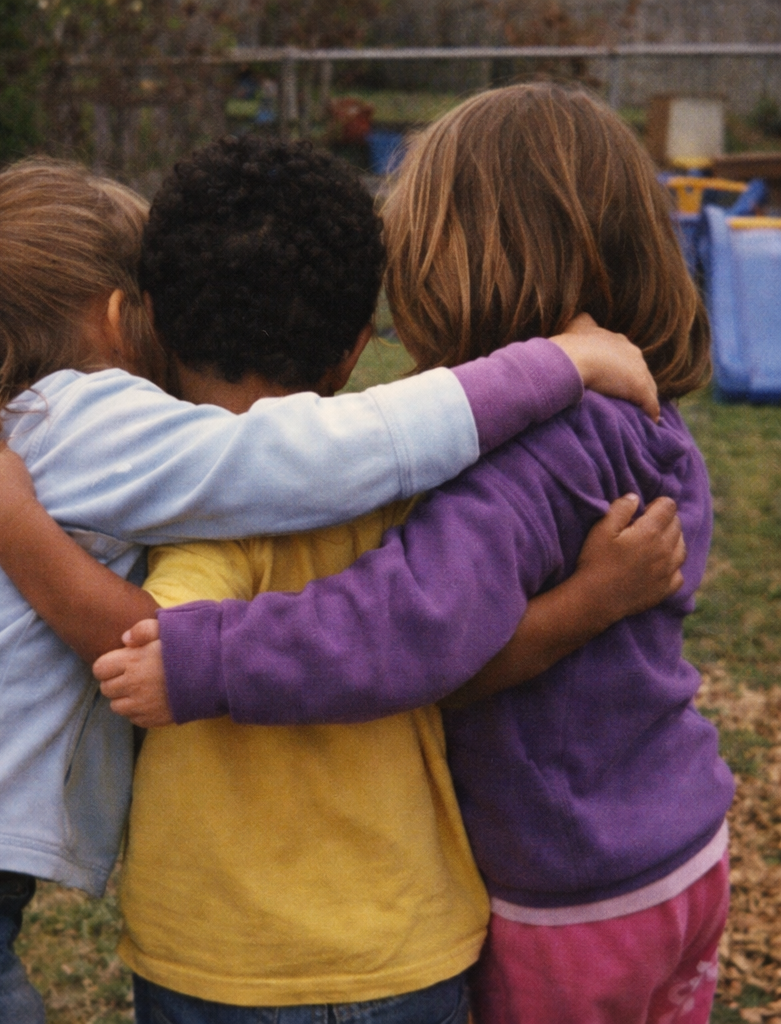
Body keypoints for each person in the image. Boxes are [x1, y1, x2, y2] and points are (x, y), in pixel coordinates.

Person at [0, 155, 654, 1024]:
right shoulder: (89, 417)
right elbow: (305, 477)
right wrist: (557, 363)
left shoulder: (30, 435)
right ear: (123, 317)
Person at [96, 86, 735, 1024]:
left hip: (572, 887)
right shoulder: (647, 419)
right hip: (681, 853)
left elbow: (414, 623)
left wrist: (213, 657)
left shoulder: (529, 462)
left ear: (469, 266)